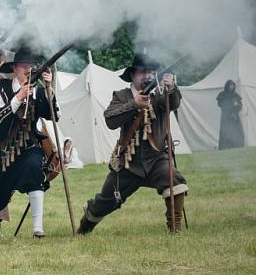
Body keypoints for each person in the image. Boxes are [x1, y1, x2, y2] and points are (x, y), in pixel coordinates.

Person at [78, 54, 188, 234]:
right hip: (128, 163)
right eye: (143, 72)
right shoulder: (122, 96)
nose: (149, 76)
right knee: (106, 202)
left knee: (174, 180)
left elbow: (174, 103)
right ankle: (84, 227)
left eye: (152, 72)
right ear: (132, 75)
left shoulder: (160, 94)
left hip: (156, 159)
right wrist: (134, 104)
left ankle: (174, 230)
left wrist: (172, 88)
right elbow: (110, 120)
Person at [0, 46, 58, 238]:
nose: (28, 69)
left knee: (35, 172)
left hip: (29, 147)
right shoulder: (2, 88)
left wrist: (49, 90)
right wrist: (18, 98)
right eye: (24, 65)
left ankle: (37, 228)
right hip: (4, 150)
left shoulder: (40, 91)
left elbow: (54, 116)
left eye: (31, 66)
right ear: (15, 68)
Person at [217, 80, 245, 150]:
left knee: (236, 131)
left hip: (235, 116)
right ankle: (225, 147)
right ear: (227, 86)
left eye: (233, 85)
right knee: (225, 131)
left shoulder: (235, 95)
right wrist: (229, 111)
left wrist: (235, 110)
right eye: (230, 85)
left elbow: (240, 105)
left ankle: (237, 146)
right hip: (226, 117)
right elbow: (220, 104)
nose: (231, 87)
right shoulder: (222, 95)